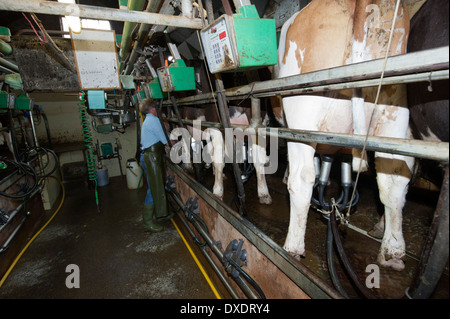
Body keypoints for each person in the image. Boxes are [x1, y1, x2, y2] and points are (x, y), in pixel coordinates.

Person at [139, 98, 172, 232]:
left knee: (157, 186)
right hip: (151, 158)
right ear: (153, 109)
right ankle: (147, 222)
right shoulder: (154, 121)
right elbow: (166, 141)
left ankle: (161, 215)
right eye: (156, 108)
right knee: (153, 189)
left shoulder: (148, 120)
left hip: (150, 156)